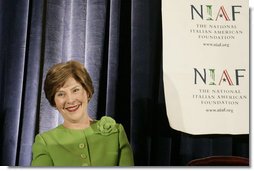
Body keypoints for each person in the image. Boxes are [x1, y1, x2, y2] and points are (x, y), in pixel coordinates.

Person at [31, 60, 134, 166]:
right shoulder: (45, 142)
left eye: (75, 90)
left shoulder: (116, 133)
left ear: (87, 92)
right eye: (61, 94)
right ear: (54, 101)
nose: (70, 100)